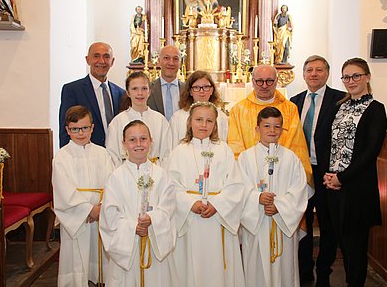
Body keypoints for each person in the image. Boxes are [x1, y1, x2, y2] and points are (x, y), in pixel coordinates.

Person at [323, 58, 387, 287]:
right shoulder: (339, 107)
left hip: (357, 188)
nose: (351, 81)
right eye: (346, 77)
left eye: (356, 76)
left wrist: (342, 177)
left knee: (355, 249)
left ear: (367, 77)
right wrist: (329, 176)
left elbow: (370, 152)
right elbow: (331, 145)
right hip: (334, 186)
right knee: (343, 244)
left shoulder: (375, 109)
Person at [166, 101, 245, 287]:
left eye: (209, 121)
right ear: (189, 122)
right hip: (190, 220)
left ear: (215, 124)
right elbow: (171, 186)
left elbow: (235, 184)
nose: (203, 125)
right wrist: (189, 203)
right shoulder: (179, 152)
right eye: (199, 119)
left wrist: (217, 204)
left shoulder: (223, 150)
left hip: (218, 218)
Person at [100, 120, 178, 286]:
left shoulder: (161, 175)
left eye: (143, 139)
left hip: (154, 245)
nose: (138, 144)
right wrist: (132, 227)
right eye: (132, 140)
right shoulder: (116, 177)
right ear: (124, 144)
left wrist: (152, 219)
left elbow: (169, 208)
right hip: (127, 249)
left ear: (151, 141)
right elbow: (109, 214)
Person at [290, 55, 346, 286]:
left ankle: (324, 270)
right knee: (300, 222)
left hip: (326, 173)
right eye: (310, 70)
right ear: (303, 74)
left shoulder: (339, 100)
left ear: (327, 73)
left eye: (319, 70)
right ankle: (304, 271)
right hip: (301, 172)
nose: (314, 74)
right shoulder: (294, 101)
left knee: (327, 224)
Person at [239, 107, 309, 287]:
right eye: (267, 126)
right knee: (256, 270)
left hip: (282, 223)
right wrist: (257, 197)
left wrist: (279, 206)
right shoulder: (246, 158)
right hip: (256, 223)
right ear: (257, 129)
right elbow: (239, 187)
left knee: (284, 269)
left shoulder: (291, 158)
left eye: (277, 127)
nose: (272, 131)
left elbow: (299, 190)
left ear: (282, 130)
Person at [52, 105, 114, 286]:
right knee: (76, 259)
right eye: (75, 129)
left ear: (92, 128)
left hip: (100, 215)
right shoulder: (62, 157)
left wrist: (101, 207)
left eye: (85, 128)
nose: (81, 133)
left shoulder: (102, 153)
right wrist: (88, 210)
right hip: (78, 218)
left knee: (99, 256)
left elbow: (111, 182)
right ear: (67, 130)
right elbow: (63, 190)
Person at [228, 64, 313, 187]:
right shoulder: (239, 109)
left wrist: (281, 167)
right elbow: (235, 146)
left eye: (269, 81)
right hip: (250, 175)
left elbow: (296, 144)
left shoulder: (289, 109)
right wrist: (250, 170)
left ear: (276, 81)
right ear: (252, 81)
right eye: (259, 81)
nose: (264, 85)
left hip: (283, 174)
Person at [59, 42, 126, 148]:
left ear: (112, 61)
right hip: (86, 155)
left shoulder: (120, 93)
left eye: (106, 56)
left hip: (116, 155)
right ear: (87, 60)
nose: (101, 61)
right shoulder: (73, 90)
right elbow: (65, 129)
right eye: (96, 56)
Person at [106, 71, 171, 167]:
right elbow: (112, 155)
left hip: (155, 173)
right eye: (135, 89)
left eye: (144, 88)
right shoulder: (117, 122)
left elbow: (167, 154)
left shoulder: (160, 120)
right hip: (126, 173)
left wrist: (158, 174)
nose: (140, 93)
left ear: (149, 92)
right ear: (128, 92)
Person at [169, 70, 228, 148]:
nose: (201, 91)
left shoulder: (221, 117)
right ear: (190, 92)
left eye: (206, 87)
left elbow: (223, 147)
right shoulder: (177, 117)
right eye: (196, 87)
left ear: (212, 90)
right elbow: (172, 148)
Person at [147, 45, 185, 121]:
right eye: (166, 58)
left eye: (175, 59)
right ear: (159, 61)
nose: (171, 63)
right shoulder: (148, 89)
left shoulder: (188, 89)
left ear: (180, 63)